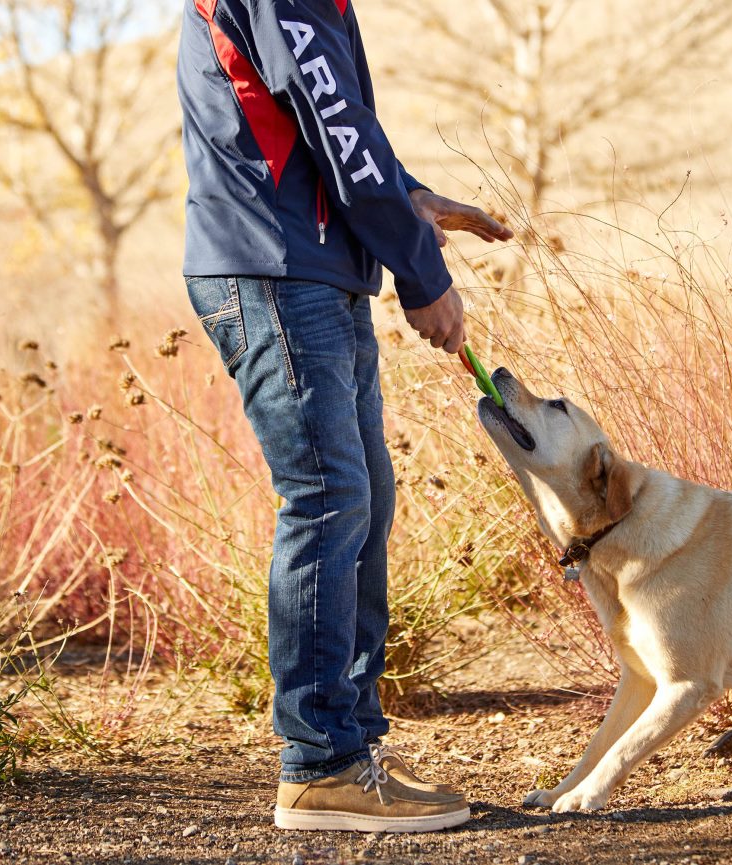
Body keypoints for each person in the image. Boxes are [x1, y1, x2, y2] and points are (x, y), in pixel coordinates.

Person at [176, 0, 512, 833]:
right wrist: (419, 266)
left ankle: (350, 753)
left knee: (363, 502)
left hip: (315, 271)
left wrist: (413, 203)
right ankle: (319, 763)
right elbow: (332, 124)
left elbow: (332, 124)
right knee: (329, 502)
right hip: (278, 271)